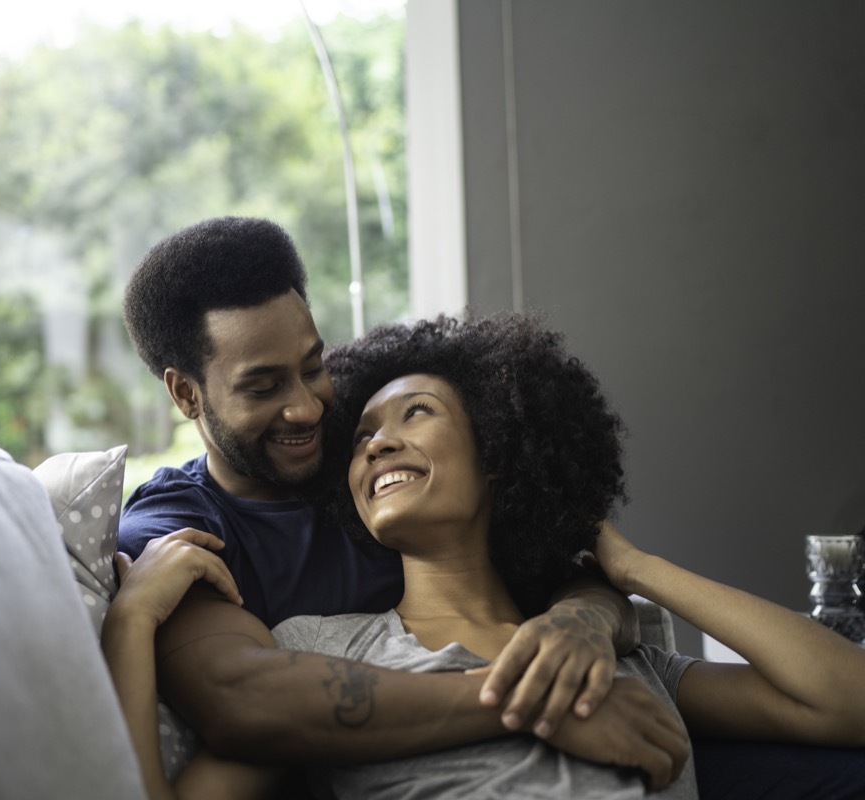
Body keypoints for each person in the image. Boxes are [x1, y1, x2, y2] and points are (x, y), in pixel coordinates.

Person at [107, 312, 865, 799]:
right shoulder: (318, 649)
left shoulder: (608, 655)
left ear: (500, 450)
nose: (376, 441)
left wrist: (633, 574)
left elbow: (846, 703)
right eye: (364, 433)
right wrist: (130, 625)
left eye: (417, 413)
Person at [115, 217, 683, 791]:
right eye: (263, 388)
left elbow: (560, 564)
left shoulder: (370, 457)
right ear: (187, 393)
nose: (308, 409)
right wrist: (537, 705)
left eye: (313, 367)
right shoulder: (176, 525)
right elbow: (244, 699)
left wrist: (583, 618)